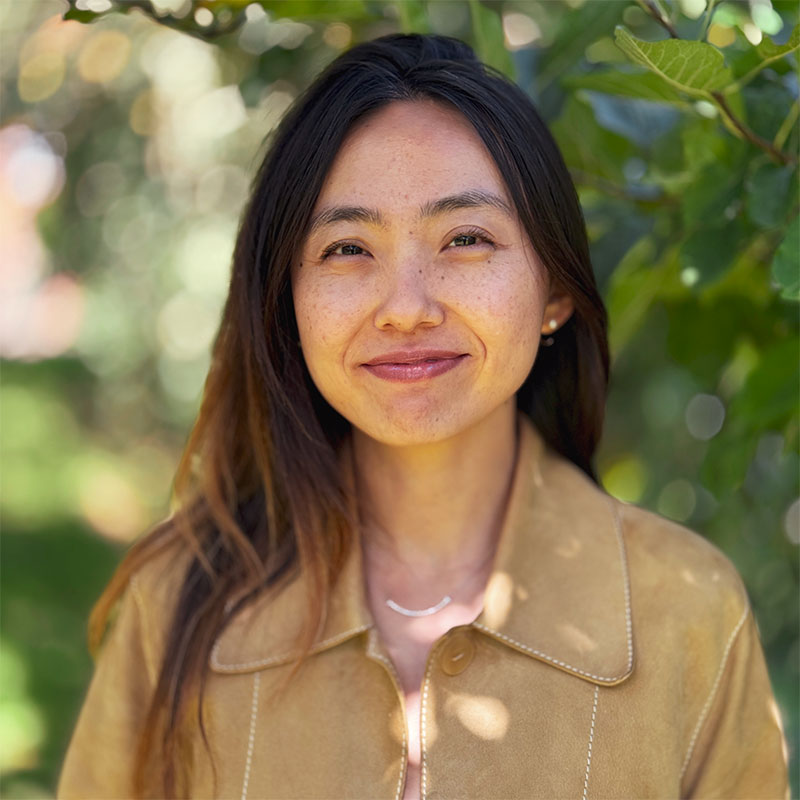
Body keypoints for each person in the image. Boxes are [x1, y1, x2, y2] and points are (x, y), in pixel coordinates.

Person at [58, 33, 788, 800]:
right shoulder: (180, 603)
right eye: (347, 249)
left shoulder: (687, 610)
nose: (406, 307)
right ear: (286, 302)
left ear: (554, 292)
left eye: (466, 239)